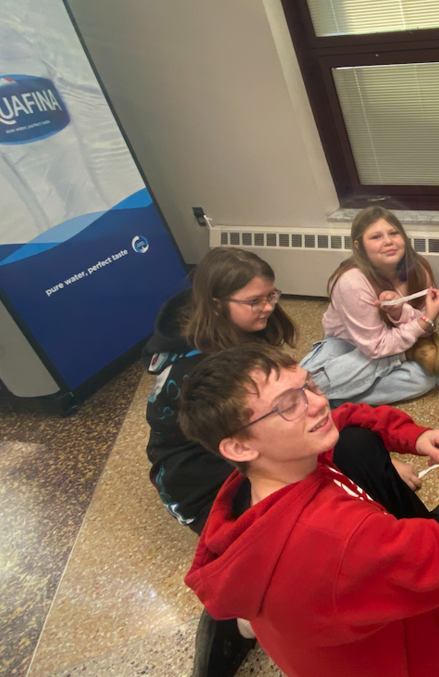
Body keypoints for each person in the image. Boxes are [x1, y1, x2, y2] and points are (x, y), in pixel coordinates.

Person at [180, 344, 439, 677]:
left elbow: (346, 418)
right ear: (239, 447)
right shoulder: (341, 539)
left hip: (338, 637)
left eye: (310, 385)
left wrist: (410, 435)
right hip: (412, 658)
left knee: (352, 445)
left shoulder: (255, 484)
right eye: (288, 405)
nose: (317, 404)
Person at [144, 246, 297, 676]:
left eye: (271, 295)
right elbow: (257, 439)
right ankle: (233, 619)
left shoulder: (245, 334)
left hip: (228, 445)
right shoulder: (196, 369)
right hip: (194, 470)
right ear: (216, 305)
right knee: (282, 519)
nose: (268, 307)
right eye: (255, 301)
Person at [301, 207, 439, 411]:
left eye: (394, 233)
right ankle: (402, 355)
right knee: (300, 382)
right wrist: (419, 326)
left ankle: (329, 402)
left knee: (428, 379)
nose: (388, 241)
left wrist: (400, 312)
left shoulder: (419, 269)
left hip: (395, 341)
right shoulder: (352, 281)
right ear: (359, 246)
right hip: (349, 344)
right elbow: (377, 347)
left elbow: (428, 328)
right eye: (376, 236)